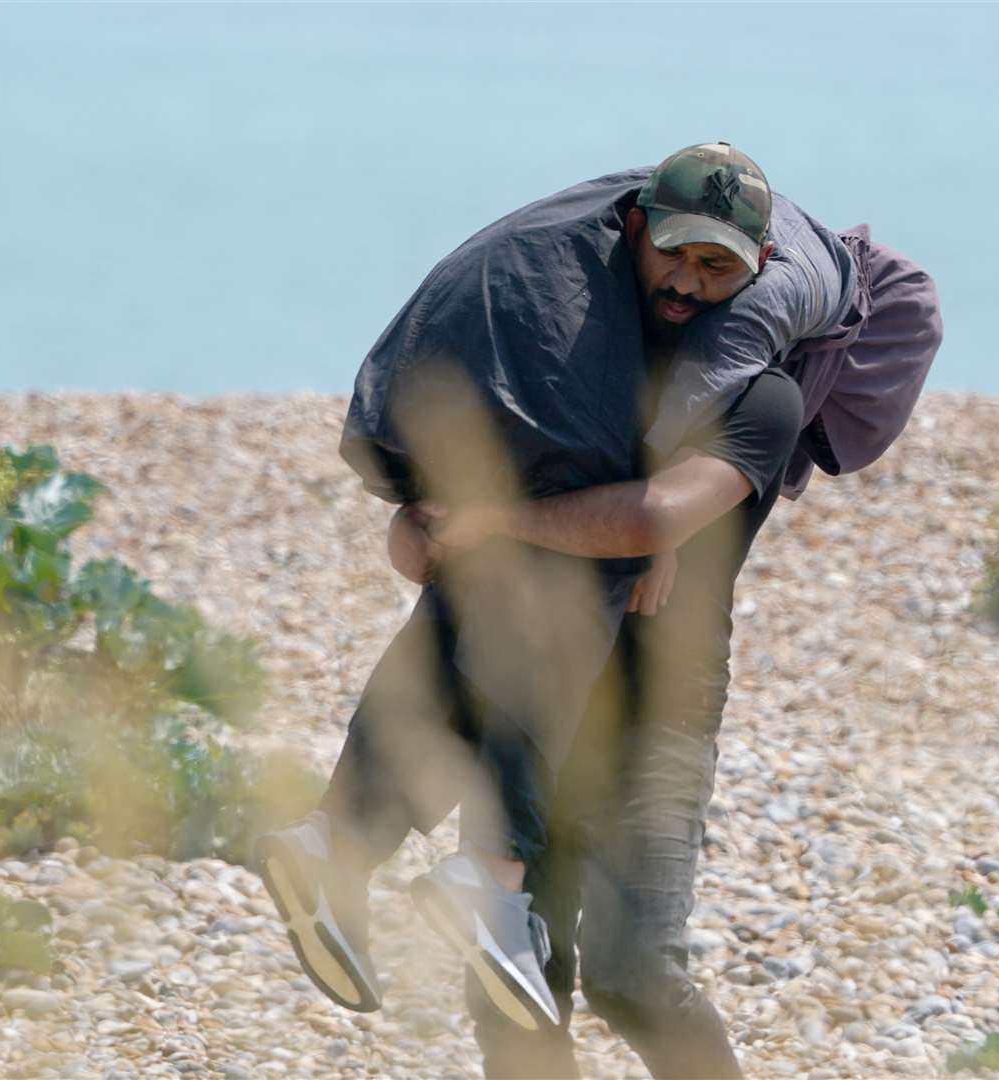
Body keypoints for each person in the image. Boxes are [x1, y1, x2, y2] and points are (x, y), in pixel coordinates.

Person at [253, 143, 941, 1077]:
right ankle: (345, 844)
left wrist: (496, 521)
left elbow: (655, 513)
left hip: (659, 707)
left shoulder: (761, 395)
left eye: (717, 268)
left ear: (757, 274)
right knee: (518, 980)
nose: (688, 284)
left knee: (633, 973)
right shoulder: (561, 381)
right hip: (535, 711)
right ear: (633, 232)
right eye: (675, 256)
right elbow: (417, 549)